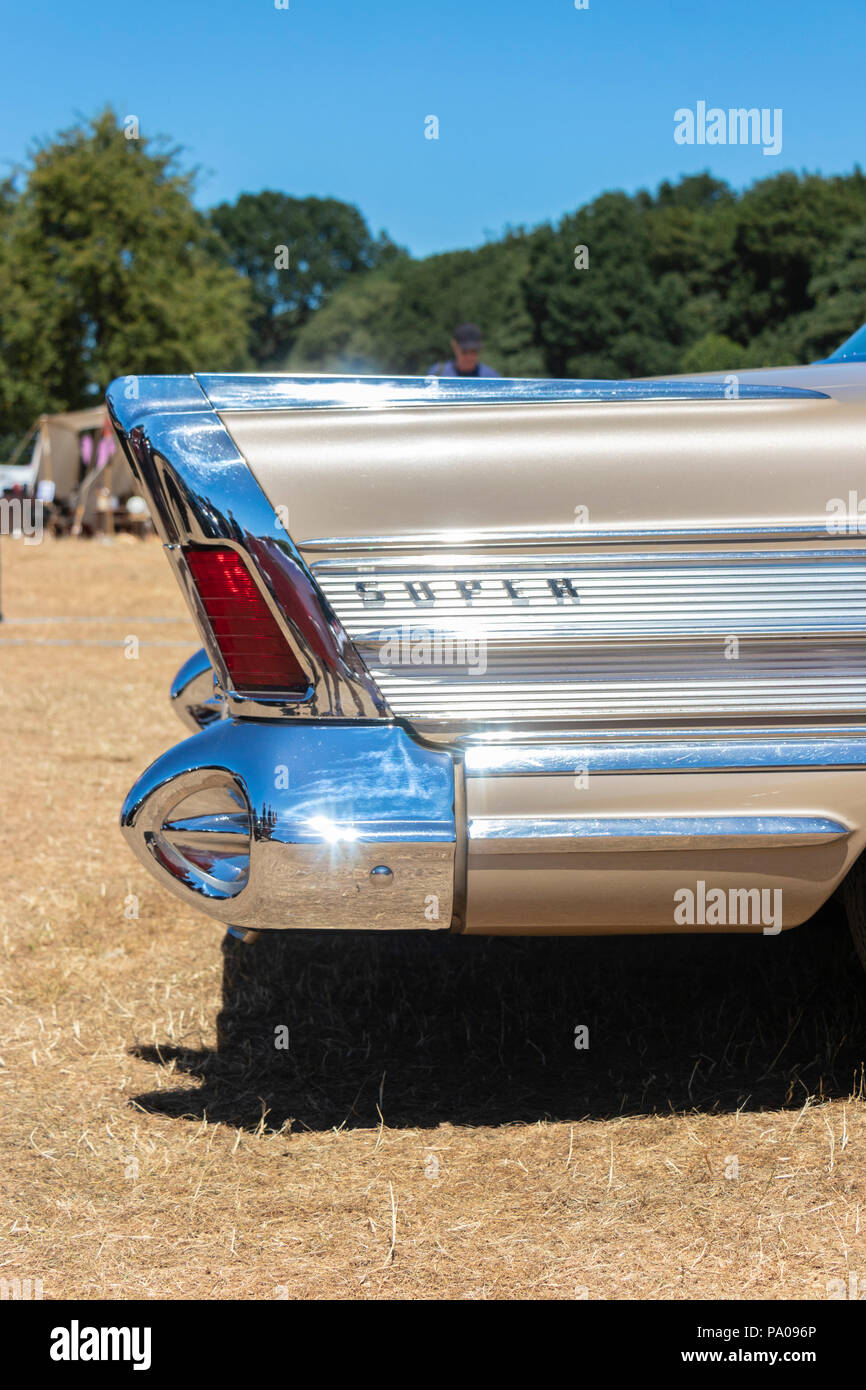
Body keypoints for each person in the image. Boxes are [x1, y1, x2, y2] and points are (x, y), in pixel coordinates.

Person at [429, 323, 499, 378]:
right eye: (464, 351)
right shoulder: (437, 374)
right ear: (454, 346)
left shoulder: (490, 377)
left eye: (474, 351)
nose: (469, 357)